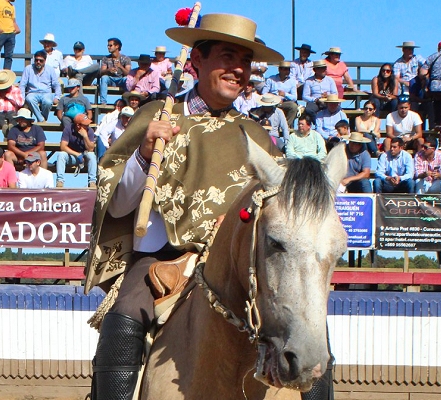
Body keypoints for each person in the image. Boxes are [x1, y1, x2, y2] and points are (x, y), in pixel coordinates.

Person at [84, 14, 323, 400]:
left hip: (241, 263)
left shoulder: (256, 135)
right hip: (163, 260)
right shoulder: (158, 117)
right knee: (126, 313)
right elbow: (118, 206)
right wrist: (144, 156)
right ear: (197, 59)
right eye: (228, 56)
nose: (238, 69)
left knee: (311, 329)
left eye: (245, 61)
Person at [56, 113, 96, 188]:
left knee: (92, 155)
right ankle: (60, 181)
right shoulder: (68, 129)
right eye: (85, 124)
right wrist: (77, 154)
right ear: (78, 125)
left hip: (85, 157)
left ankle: (92, 182)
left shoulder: (90, 131)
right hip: (72, 156)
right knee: (61, 155)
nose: (87, 126)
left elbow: (91, 149)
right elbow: (63, 147)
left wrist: (85, 137)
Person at [20, 50, 61, 123]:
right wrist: (22, 98)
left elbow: (56, 85)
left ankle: (42, 118)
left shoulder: (50, 70)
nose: (38, 62)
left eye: (41, 60)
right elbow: (22, 84)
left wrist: (57, 97)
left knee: (48, 102)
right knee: (29, 99)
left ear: (45, 61)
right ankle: (41, 119)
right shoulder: (28, 69)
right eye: (36, 60)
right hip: (32, 92)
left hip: (46, 93)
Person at [264, 60, 299, 128]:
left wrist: (285, 94)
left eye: (288, 69)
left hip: (284, 102)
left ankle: (287, 126)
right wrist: (274, 98)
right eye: (285, 69)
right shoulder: (271, 79)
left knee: (294, 106)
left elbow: (294, 97)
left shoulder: (292, 81)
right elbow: (264, 92)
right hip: (272, 102)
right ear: (279, 69)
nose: (287, 72)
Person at [0, 0, 20, 70]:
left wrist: (17, 29)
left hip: (11, 34)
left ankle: (6, 74)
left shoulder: (12, 6)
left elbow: (13, 21)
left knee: (9, 56)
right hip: (0, 33)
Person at [98, 38, 131, 104]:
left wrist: (120, 67)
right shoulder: (105, 58)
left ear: (117, 46)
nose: (108, 47)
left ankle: (126, 101)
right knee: (104, 78)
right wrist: (108, 70)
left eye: (110, 45)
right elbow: (101, 72)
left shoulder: (126, 58)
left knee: (127, 79)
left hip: (121, 80)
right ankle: (103, 102)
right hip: (111, 80)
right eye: (108, 45)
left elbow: (128, 73)